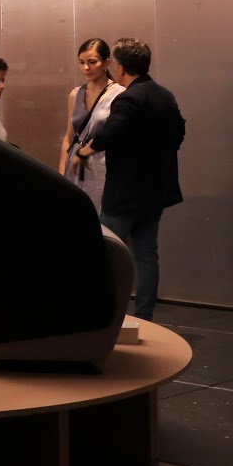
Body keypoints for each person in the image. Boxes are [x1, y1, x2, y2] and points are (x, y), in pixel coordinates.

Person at [79, 38, 185, 321]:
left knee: (107, 254)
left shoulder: (129, 97)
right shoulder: (165, 95)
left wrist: (85, 150)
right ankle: (144, 316)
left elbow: (109, 133)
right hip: (156, 192)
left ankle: (103, 317)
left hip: (124, 194)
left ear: (121, 67)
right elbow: (179, 133)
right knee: (147, 255)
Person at [58, 39, 125, 213]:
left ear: (106, 63)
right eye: (82, 63)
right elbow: (69, 136)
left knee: (100, 214)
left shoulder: (119, 93)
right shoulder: (76, 93)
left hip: (102, 163)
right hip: (75, 162)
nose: (86, 68)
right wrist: (61, 172)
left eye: (92, 62)